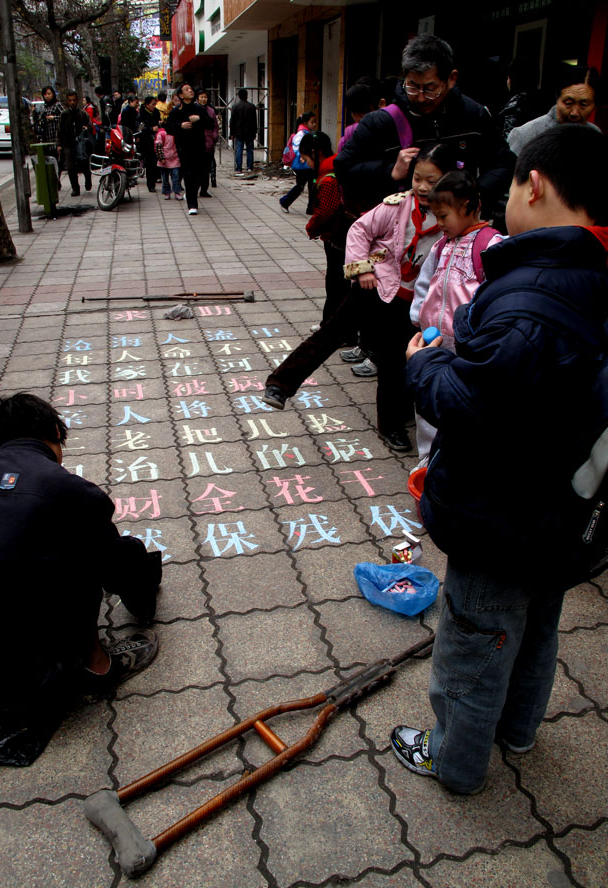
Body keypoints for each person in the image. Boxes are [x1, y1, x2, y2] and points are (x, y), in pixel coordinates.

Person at [391, 125, 608, 795]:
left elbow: (468, 401)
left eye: (512, 182)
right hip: (566, 505)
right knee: (539, 622)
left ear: (534, 184)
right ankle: (517, 730)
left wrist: (422, 361)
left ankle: (454, 760)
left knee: (474, 637)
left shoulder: (531, 298)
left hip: (501, 510)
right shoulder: (591, 274)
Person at [0, 393, 162, 765]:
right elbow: (115, 567)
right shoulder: (68, 489)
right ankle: (96, 668)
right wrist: (143, 600)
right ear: (54, 431)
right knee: (88, 561)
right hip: (30, 681)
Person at [264, 142, 456, 454]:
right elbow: (358, 232)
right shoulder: (397, 205)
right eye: (417, 178)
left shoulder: (451, 216)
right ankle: (280, 384)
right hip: (375, 285)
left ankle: (391, 425)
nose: (422, 187)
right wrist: (361, 270)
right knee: (331, 333)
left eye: (431, 181)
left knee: (395, 362)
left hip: (411, 301)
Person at [335, 35, 514, 218]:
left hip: (456, 228)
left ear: (451, 79)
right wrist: (390, 171)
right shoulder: (380, 122)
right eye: (412, 86)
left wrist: (473, 196)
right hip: (396, 233)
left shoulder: (473, 115)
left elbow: (503, 164)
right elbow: (343, 168)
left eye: (430, 89)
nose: (420, 97)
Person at [409, 170, 502, 465]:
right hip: (434, 338)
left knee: (458, 400)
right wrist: (418, 314)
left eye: (444, 215)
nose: (438, 223)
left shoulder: (492, 244)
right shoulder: (441, 245)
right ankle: (426, 461)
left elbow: (497, 291)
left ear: (467, 206)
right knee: (427, 400)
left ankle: (453, 460)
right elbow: (425, 282)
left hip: (466, 343)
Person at [294, 130, 354, 337]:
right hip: (343, 236)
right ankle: (331, 325)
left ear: (315, 152)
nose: (303, 161)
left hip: (339, 237)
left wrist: (312, 227)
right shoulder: (334, 167)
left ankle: (335, 329)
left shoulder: (329, 176)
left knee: (337, 284)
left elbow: (326, 212)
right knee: (338, 283)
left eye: (305, 156)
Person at [507, 64, 601, 155]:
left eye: (584, 105)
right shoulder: (525, 135)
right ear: (557, 99)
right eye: (568, 103)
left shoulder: (595, 133)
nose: (575, 113)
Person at [166, 82, 210, 216]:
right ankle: (192, 204)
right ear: (180, 95)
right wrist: (180, 126)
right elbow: (168, 128)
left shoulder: (200, 109)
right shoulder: (176, 111)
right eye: (187, 89)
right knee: (188, 174)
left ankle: (191, 193)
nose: (190, 91)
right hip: (184, 147)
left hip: (199, 147)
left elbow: (210, 123)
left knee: (200, 174)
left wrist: (199, 119)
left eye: (191, 89)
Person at [496, 56, 546, 139]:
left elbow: (507, 140)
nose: (507, 82)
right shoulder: (544, 102)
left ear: (514, 79)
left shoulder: (516, 105)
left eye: (508, 78)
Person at [279, 111, 317, 214]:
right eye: (312, 122)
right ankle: (284, 201)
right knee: (300, 186)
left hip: (308, 165)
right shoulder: (301, 134)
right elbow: (296, 146)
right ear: (305, 123)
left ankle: (311, 208)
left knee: (312, 186)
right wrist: (303, 156)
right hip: (302, 166)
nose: (314, 124)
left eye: (315, 122)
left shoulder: (308, 133)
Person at [58, 89, 94, 196]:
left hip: (81, 144)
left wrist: (86, 128)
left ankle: (88, 180)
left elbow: (90, 127)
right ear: (67, 101)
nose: (72, 102)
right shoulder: (64, 115)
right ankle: (75, 188)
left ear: (77, 100)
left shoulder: (83, 114)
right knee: (70, 167)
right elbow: (60, 130)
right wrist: (59, 144)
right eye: (70, 100)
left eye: (74, 100)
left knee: (84, 164)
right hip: (68, 143)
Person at [195, 87, 219, 197]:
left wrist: (214, 136)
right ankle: (195, 189)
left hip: (209, 143)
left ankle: (204, 189)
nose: (204, 99)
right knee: (197, 169)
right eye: (201, 97)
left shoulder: (211, 111)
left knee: (206, 169)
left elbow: (215, 126)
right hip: (197, 143)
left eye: (205, 97)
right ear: (197, 98)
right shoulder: (194, 109)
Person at [229, 88, 257, 175]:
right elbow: (254, 121)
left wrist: (232, 133)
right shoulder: (252, 106)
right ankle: (249, 167)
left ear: (239, 96)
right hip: (249, 132)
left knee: (239, 150)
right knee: (250, 150)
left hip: (238, 132)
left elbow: (232, 121)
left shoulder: (235, 107)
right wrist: (255, 132)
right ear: (246, 96)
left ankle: (239, 168)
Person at [155, 122, 183, 200]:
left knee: (176, 176)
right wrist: (161, 158)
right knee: (165, 178)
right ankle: (167, 192)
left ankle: (176, 192)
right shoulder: (162, 134)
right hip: (165, 159)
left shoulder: (175, 134)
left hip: (175, 158)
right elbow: (158, 146)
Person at [35, 85, 63, 159]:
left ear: (53, 94)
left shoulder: (57, 105)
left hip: (56, 137)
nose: (47, 96)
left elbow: (64, 117)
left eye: (49, 94)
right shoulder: (44, 107)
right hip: (46, 137)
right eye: (45, 94)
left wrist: (54, 118)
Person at [139, 96, 161, 192]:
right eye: (152, 104)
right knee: (149, 163)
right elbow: (140, 128)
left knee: (156, 162)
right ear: (146, 105)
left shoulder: (156, 112)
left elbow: (158, 121)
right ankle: (150, 184)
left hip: (156, 139)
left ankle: (155, 180)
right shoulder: (141, 114)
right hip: (146, 141)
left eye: (155, 104)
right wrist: (150, 129)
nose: (154, 106)